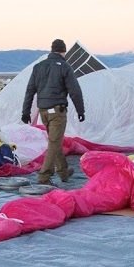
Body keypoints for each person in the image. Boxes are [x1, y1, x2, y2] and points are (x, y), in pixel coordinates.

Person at [22, 38, 85, 184]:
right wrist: (81, 110)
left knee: (55, 141)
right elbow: (75, 90)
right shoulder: (64, 66)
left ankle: (63, 171)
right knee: (54, 143)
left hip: (43, 111)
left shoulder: (38, 67)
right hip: (57, 111)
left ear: (51, 50)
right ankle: (44, 176)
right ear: (63, 51)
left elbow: (30, 90)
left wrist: (25, 112)